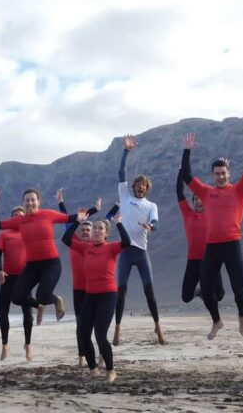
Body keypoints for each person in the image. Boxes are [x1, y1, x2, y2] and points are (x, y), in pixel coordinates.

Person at [180, 126, 243, 340]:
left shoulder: (239, 190)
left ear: (229, 174)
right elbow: (187, 175)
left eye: (223, 173)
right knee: (207, 289)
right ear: (212, 176)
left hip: (232, 245)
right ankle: (217, 320)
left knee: (239, 289)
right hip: (212, 247)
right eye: (217, 174)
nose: (220, 176)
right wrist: (187, 151)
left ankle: (241, 316)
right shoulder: (206, 192)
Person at [0, 188, 77, 328]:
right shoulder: (19, 220)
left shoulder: (48, 214)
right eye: (27, 200)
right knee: (16, 297)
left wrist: (93, 210)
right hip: (32, 266)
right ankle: (42, 305)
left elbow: (71, 218)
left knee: (42, 296)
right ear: (23, 203)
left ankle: (56, 300)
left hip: (51, 263)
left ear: (38, 202)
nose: (30, 202)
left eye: (32, 199)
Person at [62, 210, 130, 383]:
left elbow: (127, 242)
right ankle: (93, 368)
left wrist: (119, 223)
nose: (97, 231)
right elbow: (65, 239)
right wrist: (77, 222)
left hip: (107, 295)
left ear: (106, 233)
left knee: (100, 335)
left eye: (101, 228)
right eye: (95, 228)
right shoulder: (86, 248)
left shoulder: (111, 247)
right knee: (83, 333)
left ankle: (111, 369)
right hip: (90, 296)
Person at [114, 135, 165, 345]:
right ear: (133, 187)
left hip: (141, 252)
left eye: (144, 185)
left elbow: (156, 222)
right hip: (125, 252)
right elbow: (120, 172)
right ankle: (117, 328)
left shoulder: (151, 205)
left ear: (147, 189)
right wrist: (126, 151)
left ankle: (158, 327)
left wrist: (151, 226)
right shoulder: (125, 197)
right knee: (122, 291)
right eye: (138, 184)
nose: (140, 187)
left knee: (149, 291)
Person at [58, 189, 118, 365]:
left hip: (97, 290)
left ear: (93, 232)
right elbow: (68, 222)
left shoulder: (95, 243)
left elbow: (106, 220)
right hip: (79, 289)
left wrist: (115, 207)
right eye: (83, 229)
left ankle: (101, 354)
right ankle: (81, 355)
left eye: (89, 229)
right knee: (81, 325)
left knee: (98, 326)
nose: (86, 232)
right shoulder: (76, 243)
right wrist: (61, 203)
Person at [176, 168, 224, 304]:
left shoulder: (213, 213)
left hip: (211, 259)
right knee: (186, 297)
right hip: (193, 260)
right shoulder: (188, 214)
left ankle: (205, 289)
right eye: (195, 199)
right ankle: (200, 291)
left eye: (200, 199)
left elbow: (222, 193)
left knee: (219, 296)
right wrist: (181, 170)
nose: (198, 201)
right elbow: (179, 193)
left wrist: (222, 175)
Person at [0, 198, 32, 361]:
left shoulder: (30, 233)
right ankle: (5, 345)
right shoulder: (5, 234)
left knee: (27, 312)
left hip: (25, 277)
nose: (17, 218)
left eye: (20, 216)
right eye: (15, 216)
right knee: (3, 312)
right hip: (8, 277)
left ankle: (28, 344)